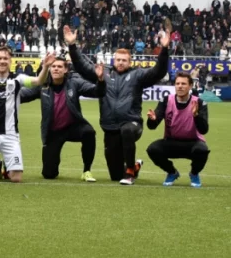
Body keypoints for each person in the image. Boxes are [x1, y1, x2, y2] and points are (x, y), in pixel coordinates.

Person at [66, 25, 170, 185]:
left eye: (124, 60)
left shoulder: (138, 75)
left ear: (130, 61)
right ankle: (134, 166)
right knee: (115, 176)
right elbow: (81, 67)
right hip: (110, 127)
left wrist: (164, 49)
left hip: (132, 123)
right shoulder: (103, 73)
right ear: (114, 60)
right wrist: (72, 46)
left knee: (127, 130)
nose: (120, 63)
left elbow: (158, 72)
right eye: (118, 60)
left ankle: (130, 172)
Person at [0, 40, 54, 183]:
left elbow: (39, 81)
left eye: (5, 58)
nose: (2, 61)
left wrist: (46, 67)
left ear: (10, 61)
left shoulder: (18, 80)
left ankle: (7, 166)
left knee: (16, 178)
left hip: (11, 135)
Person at [19, 53, 104, 182]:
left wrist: (101, 81)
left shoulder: (74, 82)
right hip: (54, 131)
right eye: (53, 66)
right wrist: (6, 92)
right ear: (49, 68)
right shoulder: (43, 85)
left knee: (89, 132)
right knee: (48, 174)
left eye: (59, 66)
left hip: (73, 126)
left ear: (65, 70)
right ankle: (53, 165)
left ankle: (87, 171)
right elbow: (22, 95)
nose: (56, 69)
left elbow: (96, 92)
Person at [145, 72, 210, 188]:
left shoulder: (199, 102)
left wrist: (196, 115)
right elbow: (152, 126)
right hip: (171, 142)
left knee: (202, 150)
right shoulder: (166, 100)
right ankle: (172, 172)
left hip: (193, 143)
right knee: (152, 149)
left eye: (184, 84)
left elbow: (204, 130)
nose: (180, 86)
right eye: (177, 83)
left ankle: (194, 173)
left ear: (190, 86)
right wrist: (152, 119)